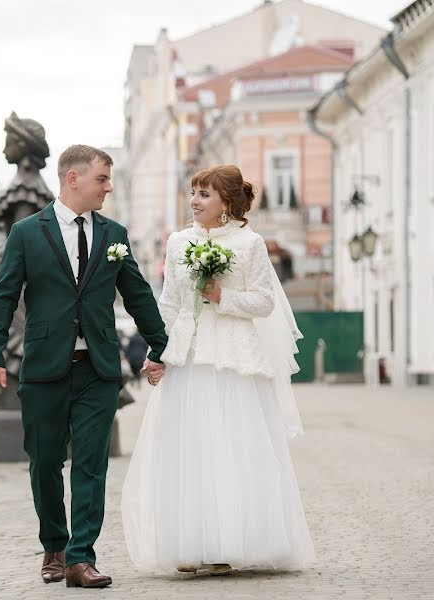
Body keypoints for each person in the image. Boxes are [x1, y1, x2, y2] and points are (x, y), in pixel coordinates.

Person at [0, 145, 168, 589]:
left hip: (98, 369)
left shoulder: (114, 234)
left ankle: (81, 558)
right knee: (45, 462)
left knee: (90, 465)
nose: (108, 187)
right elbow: (3, 298)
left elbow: (138, 295)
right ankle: (54, 546)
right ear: (73, 179)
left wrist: (162, 347)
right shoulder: (28, 232)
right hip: (44, 368)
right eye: (102, 178)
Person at [122, 164, 314, 575]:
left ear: (226, 203)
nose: (195, 200)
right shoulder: (178, 242)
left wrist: (221, 296)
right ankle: (192, 543)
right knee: (190, 447)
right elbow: (170, 302)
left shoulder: (250, 244)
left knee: (233, 447)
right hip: (189, 355)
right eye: (193, 192)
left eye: (205, 194)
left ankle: (230, 542)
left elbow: (264, 301)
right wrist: (157, 352)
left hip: (234, 357)